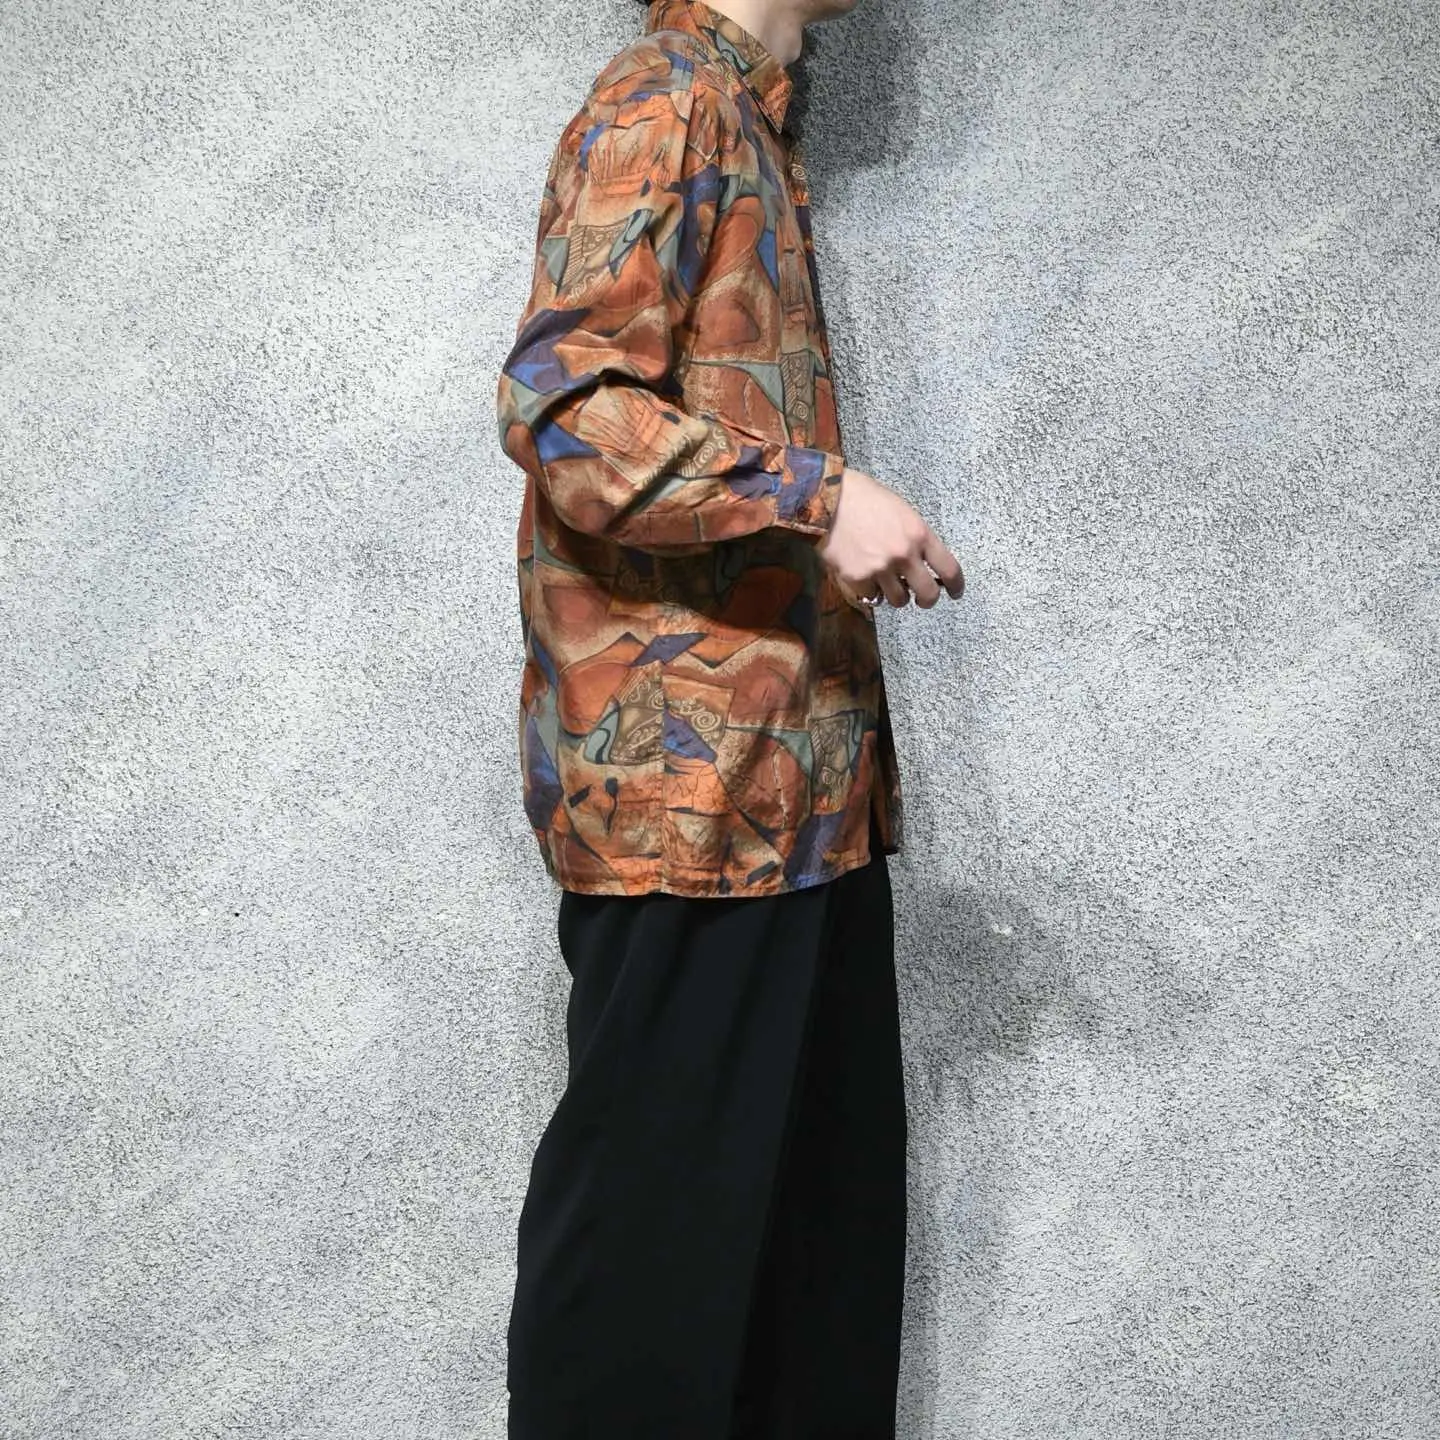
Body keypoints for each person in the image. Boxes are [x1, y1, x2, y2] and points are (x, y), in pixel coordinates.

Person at [494, 0, 963, 1434]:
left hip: (798, 799)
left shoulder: (750, 117)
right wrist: (821, 496)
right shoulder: (667, 100)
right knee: (648, 1304)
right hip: (686, 818)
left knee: (809, 1300)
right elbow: (566, 412)